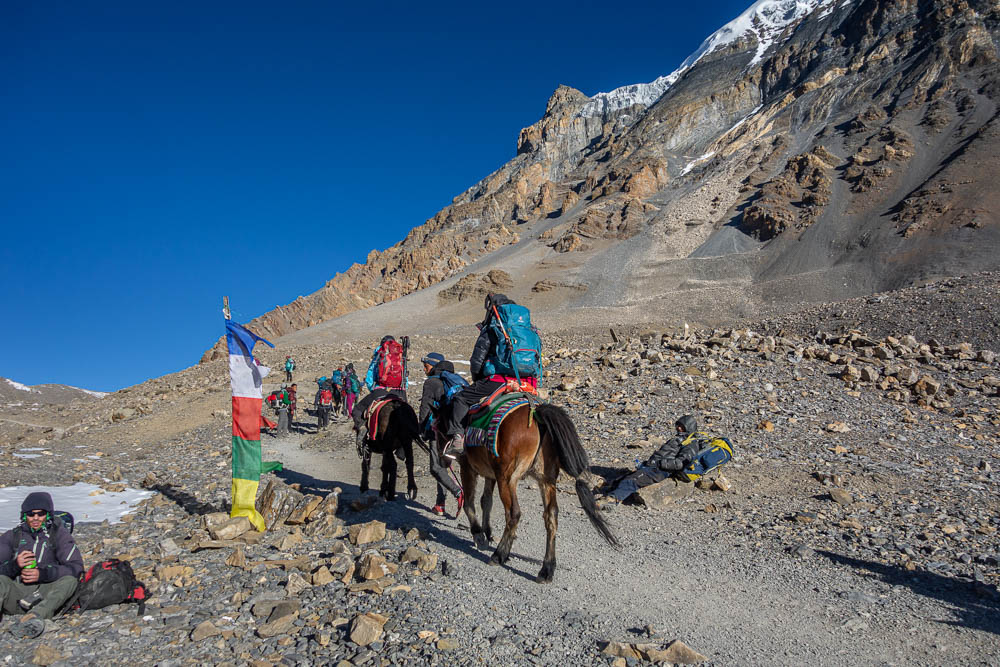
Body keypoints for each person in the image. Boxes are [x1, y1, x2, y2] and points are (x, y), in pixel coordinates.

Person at [441, 294, 538, 459]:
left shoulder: (493, 327)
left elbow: (477, 361)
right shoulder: (529, 330)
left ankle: (458, 439)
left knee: (461, 399)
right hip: (528, 382)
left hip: (499, 381)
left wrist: (478, 380)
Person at [0, 492, 83, 637]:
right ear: (24, 516)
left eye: (41, 513)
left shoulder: (59, 535)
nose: (36, 518)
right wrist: (15, 565)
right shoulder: (12, 536)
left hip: (45, 594)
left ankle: (34, 617)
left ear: (48, 514)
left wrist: (43, 573)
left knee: (70, 581)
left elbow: (76, 567)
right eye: (31, 514)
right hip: (16, 594)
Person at [606, 415, 699, 502]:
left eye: (682, 426)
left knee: (632, 481)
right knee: (624, 478)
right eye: (678, 425)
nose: (679, 428)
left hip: (661, 470)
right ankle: (610, 495)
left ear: (689, 428)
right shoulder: (680, 439)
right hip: (654, 466)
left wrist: (661, 463)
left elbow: (681, 463)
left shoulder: (691, 444)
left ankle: (611, 501)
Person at [416, 352, 466, 515]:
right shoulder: (450, 380)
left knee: (436, 468)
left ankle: (458, 493)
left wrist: (422, 429)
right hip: (455, 429)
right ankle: (440, 504)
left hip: (437, 430)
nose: (424, 369)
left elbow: (425, 407)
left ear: (434, 365)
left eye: (426, 366)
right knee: (444, 466)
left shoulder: (431, 382)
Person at [352, 336, 409, 453]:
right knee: (407, 415)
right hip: (400, 392)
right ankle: (404, 446)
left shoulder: (380, 353)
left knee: (357, 410)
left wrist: (373, 389)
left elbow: (370, 377)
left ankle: (362, 429)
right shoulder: (400, 354)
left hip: (381, 390)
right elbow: (405, 379)